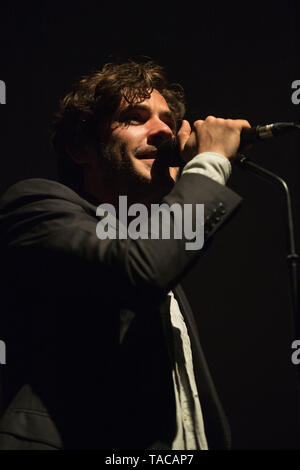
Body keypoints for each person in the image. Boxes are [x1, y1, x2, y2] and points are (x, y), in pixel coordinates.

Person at [0, 60, 249, 450]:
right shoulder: (35, 206)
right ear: (82, 147)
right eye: (135, 118)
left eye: (168, 120)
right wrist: (211, 162)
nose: (164, 131)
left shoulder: (159, 250)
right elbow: (140, 268)